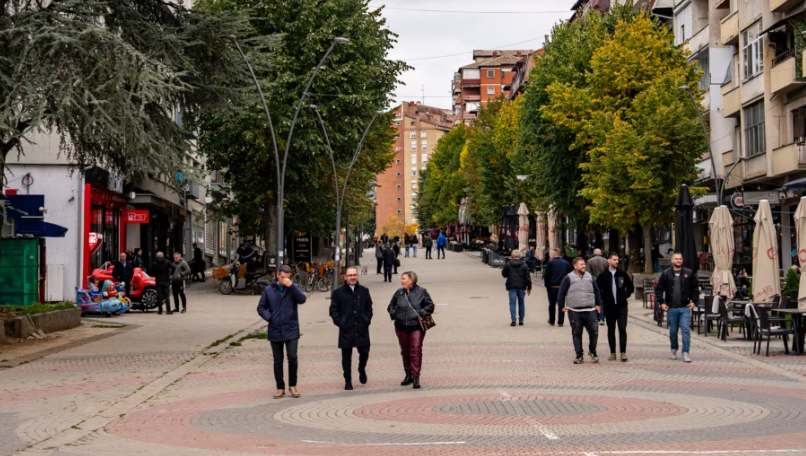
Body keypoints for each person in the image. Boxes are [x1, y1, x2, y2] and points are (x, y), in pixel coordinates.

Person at [257, 265, 307, 398]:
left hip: (291, 328)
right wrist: (270, 317)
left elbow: (302, 300)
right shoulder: (269, 290)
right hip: (275, 329)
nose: (285, 279)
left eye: (288, 277)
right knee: (278, 360)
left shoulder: (293, 287)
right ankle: (280, 387)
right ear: (278, 275)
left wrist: (291, 286)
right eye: (283, 277)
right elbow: (261, 307)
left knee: (292, 356)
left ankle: (293, 385)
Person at [388, 271, 434, 389]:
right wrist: (395, 314)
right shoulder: (398, 292)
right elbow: (390, 306)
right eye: (401, 279)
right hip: (401, 326)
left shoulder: (422, 292)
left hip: (416, 327)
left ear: (411, 280)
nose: (401, 281)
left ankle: (416, 377)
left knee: (416, 350)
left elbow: (430, 305)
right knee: (405, 351)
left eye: (404, 279)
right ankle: (408, 374)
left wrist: (421, 313)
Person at [329, 267, 373, 390]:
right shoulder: (338, 292)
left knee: (364, 352)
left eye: (355, 275)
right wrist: (340, 322)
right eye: (350, 275)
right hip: (346, 329)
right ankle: (347, 380)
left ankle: (361, 368)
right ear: (345, 277)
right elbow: (333, 310)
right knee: (346, 356)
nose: (353, 277)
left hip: (362, 328)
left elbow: (369, 307)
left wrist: (366, 320)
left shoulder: (364, 291)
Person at [655, 253, 699, 363]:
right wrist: (661, 302)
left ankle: (685, 352)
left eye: (680, 259)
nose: (678, 260)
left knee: (685, 330)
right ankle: (673, 349)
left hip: (685, 307)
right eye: (676, 259)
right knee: (673, 331)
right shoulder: (666, 274)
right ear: (672, 260)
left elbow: (695, 288)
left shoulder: (689, 273)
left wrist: (693, 301)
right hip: (671, 308)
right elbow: (659, 289)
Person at [557, 257, 603, 364]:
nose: (584, 266)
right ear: (575, 266)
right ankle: (579, 354)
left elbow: (597, 291)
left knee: (594, 331)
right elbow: (562, 292)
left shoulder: (590, 277)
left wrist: (598, 304)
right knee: (576, 333)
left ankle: (592, 350)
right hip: (574, 310)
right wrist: (561, 306)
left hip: (590, 309)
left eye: (584, 264)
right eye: (581, 264)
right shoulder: (568, 278)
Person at [596, 252, 634, 362]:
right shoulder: (603, 275)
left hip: (621, 306)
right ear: (609, 260)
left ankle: (623, 352)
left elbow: (630, 287)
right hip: (609, 306)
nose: (616, 262)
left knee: (622, 328)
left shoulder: (622, 274)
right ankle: (612, 352)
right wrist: (604, 298)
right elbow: (597, 289)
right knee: (611, 329)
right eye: (614, 260)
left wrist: (624, 296)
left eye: (617, 260)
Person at [544, 248, 572, 327]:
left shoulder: (550, 263)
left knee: (552, 304)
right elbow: (570, 275)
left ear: (554, 254)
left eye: (551, 254)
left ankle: (552, 320)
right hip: (562, 287)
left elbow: (547, 276)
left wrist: (547, 286)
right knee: (561, 304)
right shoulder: (566, 263)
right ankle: (560, 321)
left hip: (552, 286)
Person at [502, 250, 532, 326]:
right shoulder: (524, 265)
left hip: (511, 286)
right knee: (521, 303)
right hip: (522, 286)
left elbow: (504, 274)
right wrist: (529, 287)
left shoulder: (508, 264)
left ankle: (513, 320)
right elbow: (528, 278)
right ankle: (521, 320)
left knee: (512, 303)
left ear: (512, 256)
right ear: (520, 256)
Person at [586, 249, 608, 325]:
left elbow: (588, 273)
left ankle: (596, 316)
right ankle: (602, 317)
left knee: (595, 299)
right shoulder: (606, 261)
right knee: (602, 299)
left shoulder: (589, 261)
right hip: (604, 282)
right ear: (601, 253)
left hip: (594, 282)